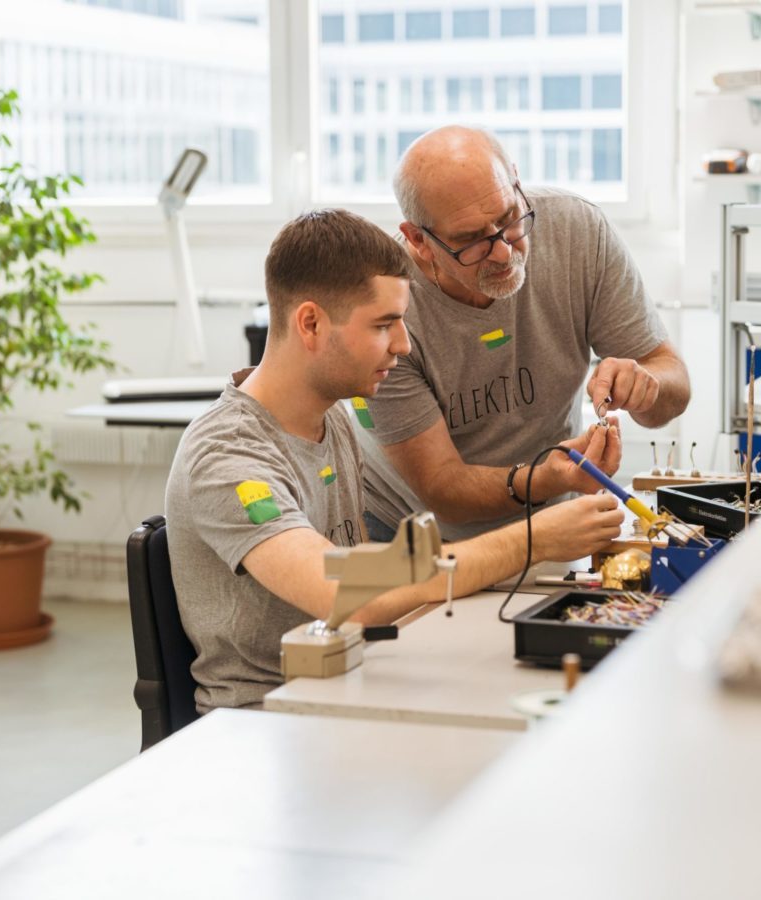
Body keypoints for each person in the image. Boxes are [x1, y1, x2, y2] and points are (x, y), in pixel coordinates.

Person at [165, 209, 624, 713]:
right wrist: (535, 539)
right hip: (266, 720)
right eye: (384, 325)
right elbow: (350, 594)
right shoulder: (229, 454)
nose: (403, 346)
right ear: (311, 323)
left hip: (346, 684)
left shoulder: (334, 419)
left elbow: (370, 570)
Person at [356, 126, 691, 543]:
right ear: (419, 240)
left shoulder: (577, 232)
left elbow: (673, 384)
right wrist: (546, 480)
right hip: (413, 535)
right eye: (471, 240)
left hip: (549, 524)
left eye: (508, 218)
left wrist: (648, 386)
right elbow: (444, 490)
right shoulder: (385, 306)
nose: (502, 251)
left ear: (515, 180)